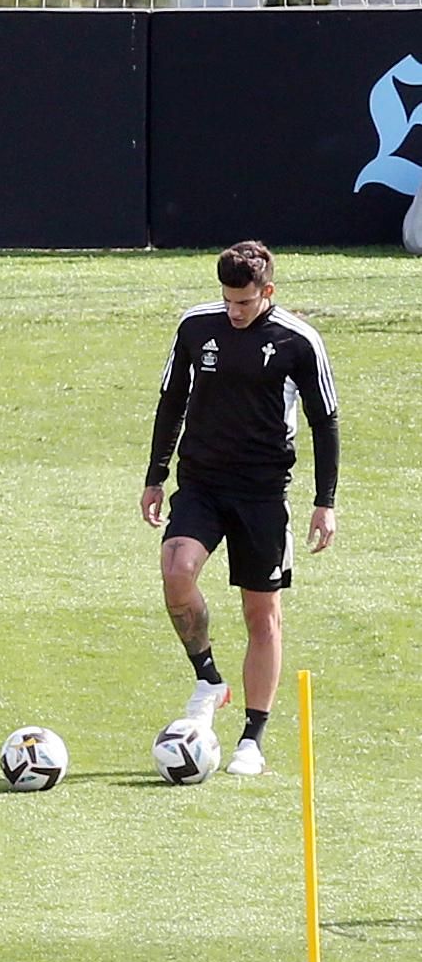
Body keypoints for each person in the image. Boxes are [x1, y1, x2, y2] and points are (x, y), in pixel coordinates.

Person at [140, 241, 339, 777]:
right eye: (228, 300)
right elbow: (171, 401)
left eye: (245, 303)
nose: (234, 311)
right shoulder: (194, 328)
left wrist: (325, 502)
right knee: (176, 571)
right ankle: (208, 678)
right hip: (202, 484)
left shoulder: (299, 341)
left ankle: (252, 738)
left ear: (267, 292)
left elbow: (326, 421)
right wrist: (155, 477)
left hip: (262, 494)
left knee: (262, 614)